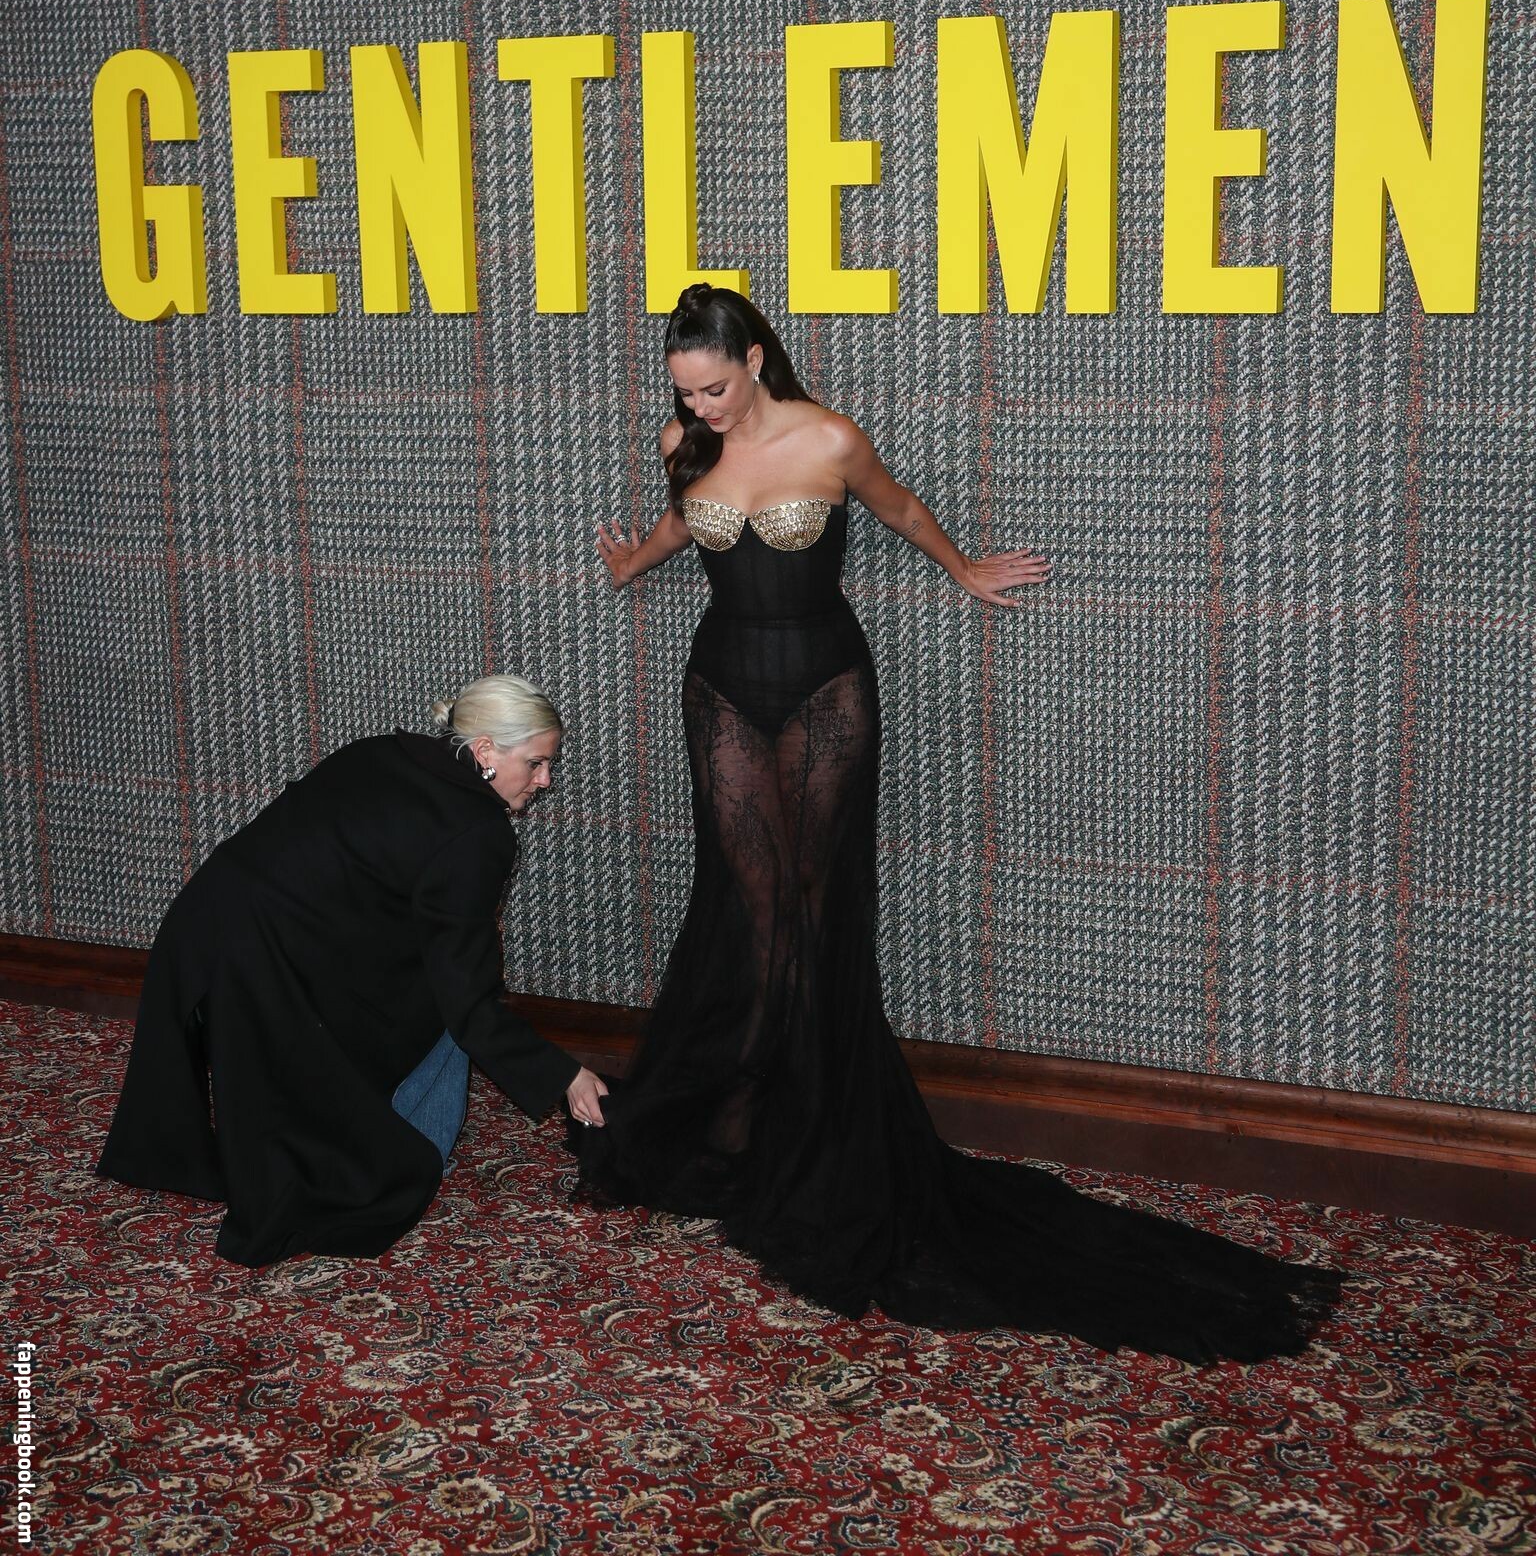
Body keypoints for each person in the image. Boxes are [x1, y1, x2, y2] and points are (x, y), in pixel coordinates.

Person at [582, 282, 1344, 1363]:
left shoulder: (831, 438)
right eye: (685, 393)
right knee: (749, 913)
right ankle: (744, 1113)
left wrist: (964, 568)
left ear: (752, 358)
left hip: (825, 693)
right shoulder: (684, 440)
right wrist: (637, 561)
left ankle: (819, 1137)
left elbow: (898, 510)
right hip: (720, 691)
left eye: (712, 387)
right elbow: (685, 516)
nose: (698, 408)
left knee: (815, 913)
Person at [96, 675, 610, 1266]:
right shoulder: (478, 832)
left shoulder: (381, 750)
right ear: (486, 749)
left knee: (418, 982)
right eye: (536, 763)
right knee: (443, 1004)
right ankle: (407, 1139)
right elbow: (468, 999)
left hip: (207, 913)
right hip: (275, 950)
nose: (545, 781)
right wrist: (564, 1076)